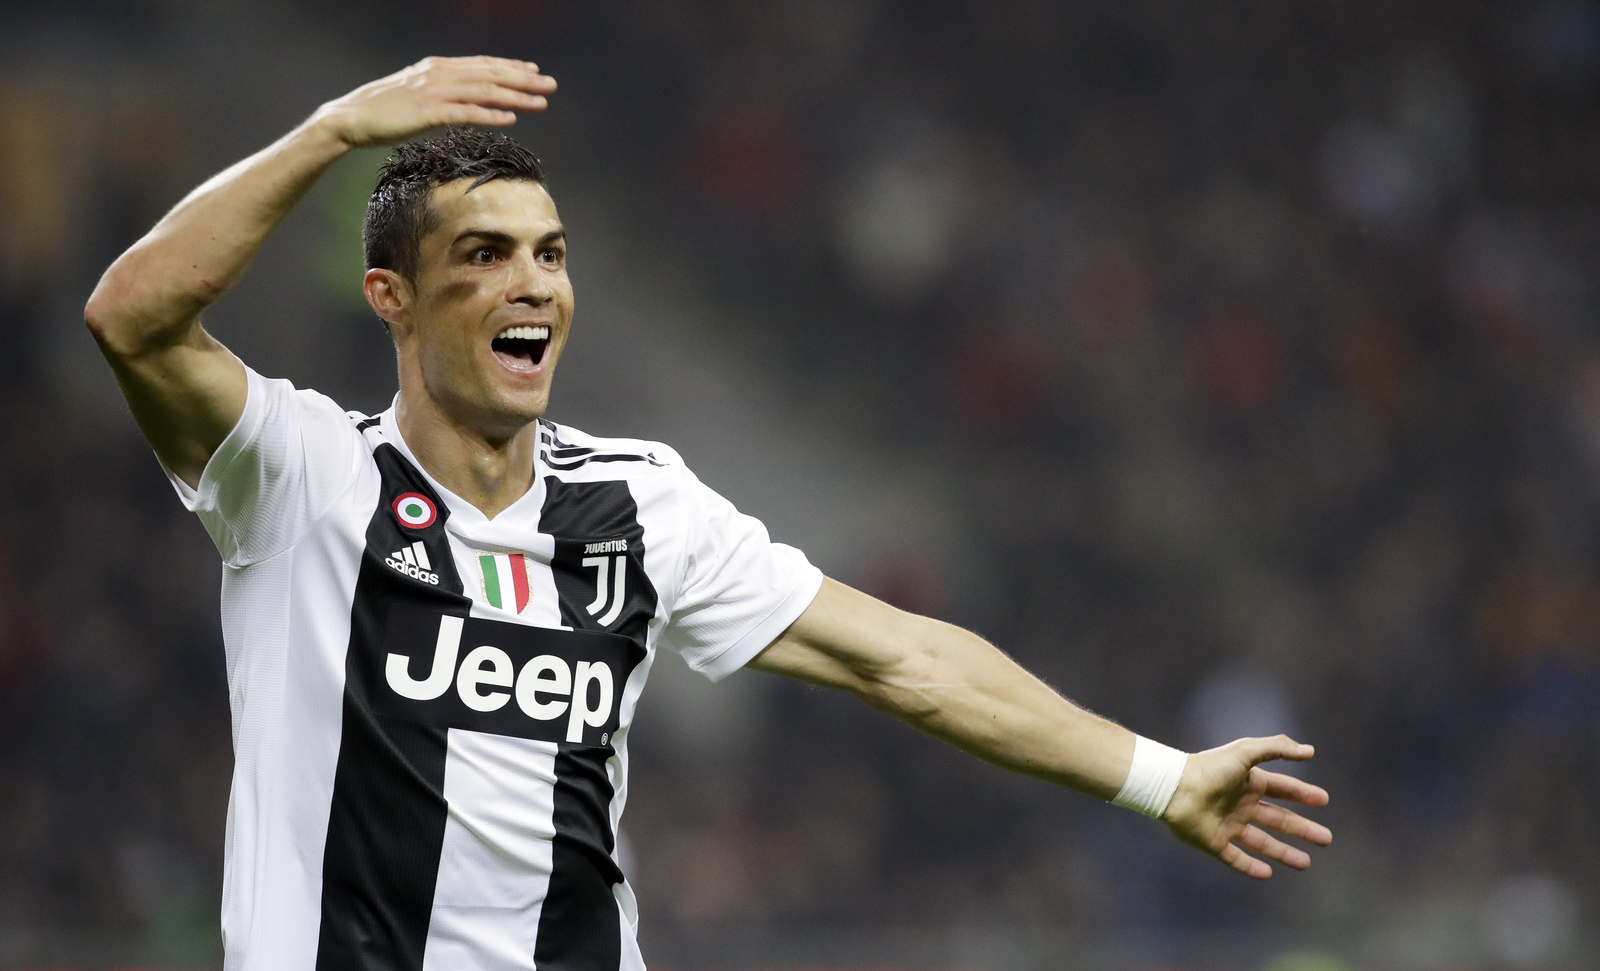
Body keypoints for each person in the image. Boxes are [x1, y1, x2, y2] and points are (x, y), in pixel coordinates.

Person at [85, 56, 1332, 971]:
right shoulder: (304, 476)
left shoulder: (638, 502)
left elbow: (905, 660)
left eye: (551, 253)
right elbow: (131, 316)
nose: (533, 283)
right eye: (483, 254)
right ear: (390, 297)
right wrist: (332, 131)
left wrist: (1161, 778)